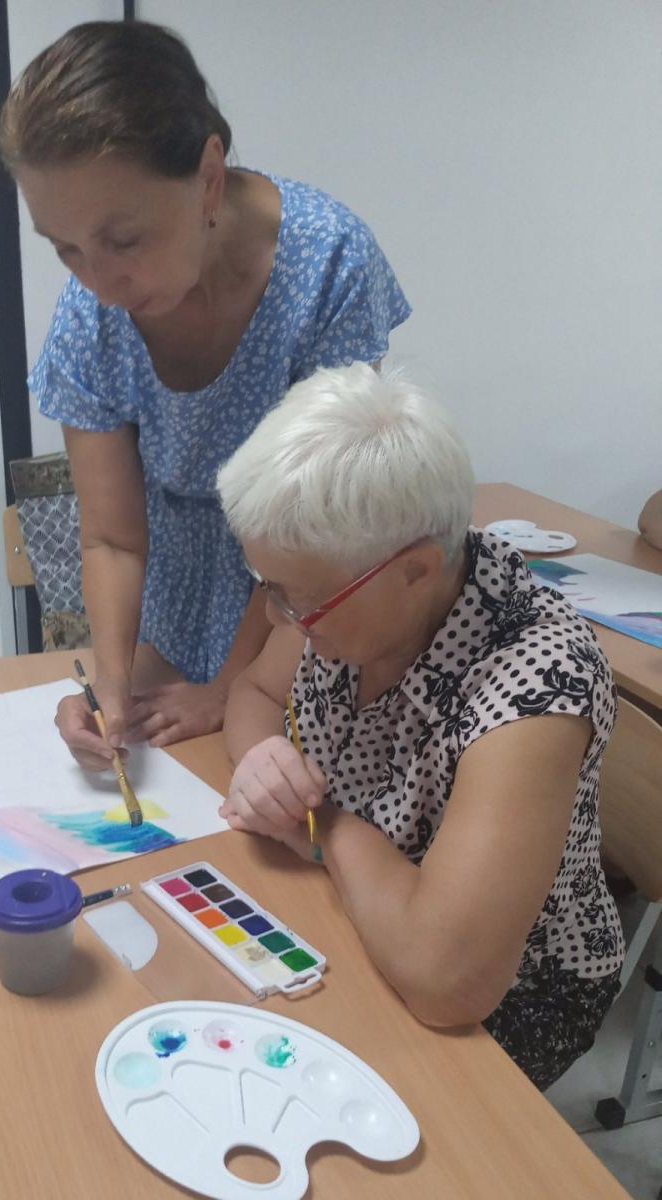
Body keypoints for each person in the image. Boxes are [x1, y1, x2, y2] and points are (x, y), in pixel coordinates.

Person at [0, 20, 410, 766]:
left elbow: (317, 527)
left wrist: (235, 688)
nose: (99, 283)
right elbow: (113, 539)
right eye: (65, 249)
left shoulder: (328, 266)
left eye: (123, 240)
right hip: (175, 615)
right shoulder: (91, 316)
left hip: (302, 620)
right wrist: (110, 688)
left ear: (209, 178)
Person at [215, 362, 623, 1090]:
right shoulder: (345, 588)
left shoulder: (537, 683)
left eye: (297, 601)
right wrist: (263, 758)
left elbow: (447, 982)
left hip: (511, 993)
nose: (279, 617)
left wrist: (322, 827)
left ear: (415, 571)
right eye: (268, 589)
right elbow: (252, 691)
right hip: (358, 904)